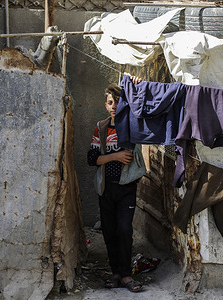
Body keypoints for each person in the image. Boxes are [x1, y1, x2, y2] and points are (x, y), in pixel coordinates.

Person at [87, 76, 143, 293]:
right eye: (110, 102)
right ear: (105, 104)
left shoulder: (132, 124)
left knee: (124, 229)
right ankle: (116, 273)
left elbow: (145, 111)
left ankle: (127, 274)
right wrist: (116, 156)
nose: (114, 106)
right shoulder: (100, 128)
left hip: (126, 186)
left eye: (118, 101)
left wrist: (137, 87)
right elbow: (92, 159)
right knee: (110, 231)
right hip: (105, 188)